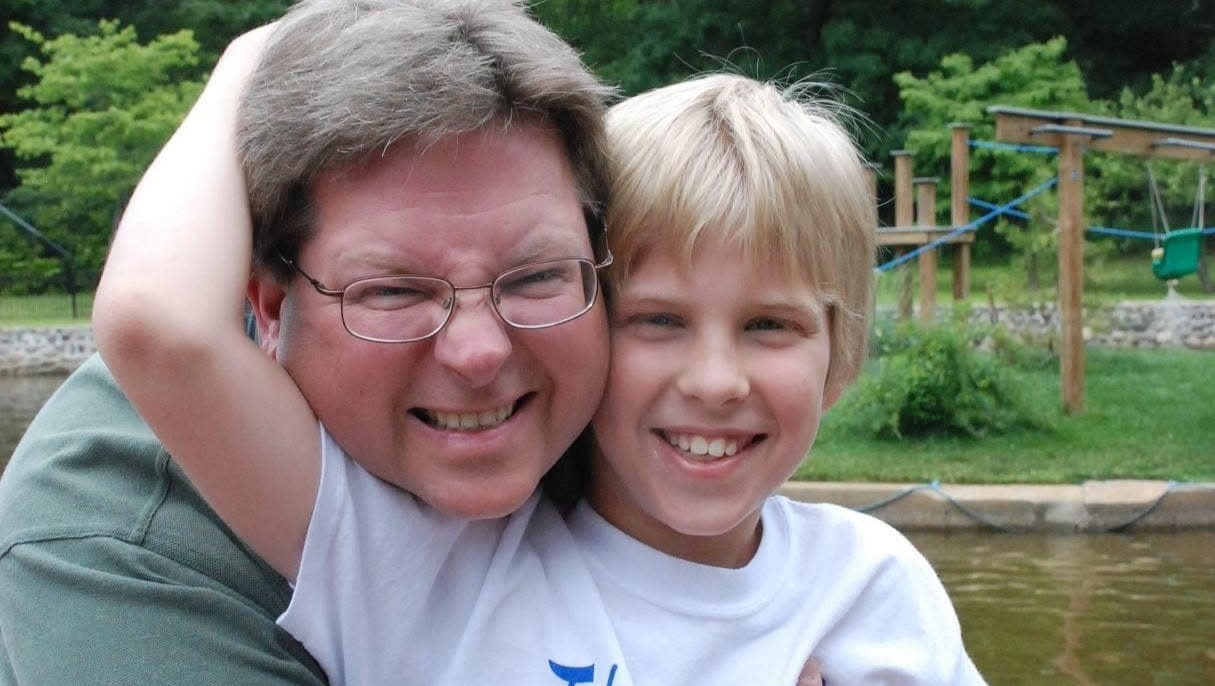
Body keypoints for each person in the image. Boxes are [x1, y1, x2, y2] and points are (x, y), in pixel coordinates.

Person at [0, 1, 618, 683]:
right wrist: (250, 56)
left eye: (535, 277)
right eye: (392, 292)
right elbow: (156, 325)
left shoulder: (641, 400)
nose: (480, 353)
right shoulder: (121, 542)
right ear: (269, 307)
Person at [573, 74, 988, 683]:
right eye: (658, 320)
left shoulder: (875, 591)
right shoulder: (483, 580)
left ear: (839, 355)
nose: (715, 382)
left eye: (768, 324)